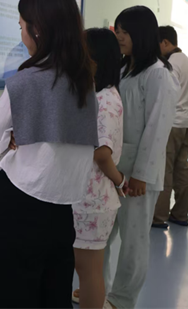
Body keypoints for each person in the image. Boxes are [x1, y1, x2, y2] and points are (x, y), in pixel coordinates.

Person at [0, 0, 98, 309]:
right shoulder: (85, 84)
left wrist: (6, 146)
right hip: (61, 213)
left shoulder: (25, 80)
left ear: (38, 29)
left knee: (4, 294)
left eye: (22, 26)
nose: (21, 35)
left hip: (17, 207)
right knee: (52, 294)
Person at [102, 6, 179, 309]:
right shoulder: (122, 69)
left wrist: (141, 175)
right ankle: (96, 285)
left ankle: (122, 299)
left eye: (125, 31)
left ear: (141, 33)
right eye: (117, 30)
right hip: (111, 169)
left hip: (138, 174)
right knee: (101, 232)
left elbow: (157, 129)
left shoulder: (159, 74)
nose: (119, 36)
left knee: (133, 242)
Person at [71, 28, 126, 309]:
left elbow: (102, 152)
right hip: (85, 197)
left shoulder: (106, 99)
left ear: (96, 57)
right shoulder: (95, 93)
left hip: (94, 200)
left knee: (89, 272)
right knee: (85, 270)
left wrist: (120, 180)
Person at [152, 26, 188, 228]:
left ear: (165, 43)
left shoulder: (170, 64)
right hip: (185, 123)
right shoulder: (187, 62)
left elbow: (165, 95)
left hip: (170, 124)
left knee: (165, 171)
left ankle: (158, 217)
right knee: (182, 170)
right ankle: (180, 214)